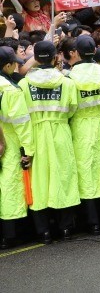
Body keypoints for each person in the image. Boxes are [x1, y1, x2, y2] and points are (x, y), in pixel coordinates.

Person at [19, 41, 80, 243]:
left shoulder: (24, 84)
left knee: (39, 182)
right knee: (63, 177)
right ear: (56, 57)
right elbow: (72, 108)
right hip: (60, 131)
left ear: (35, 58)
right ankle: (65, 229)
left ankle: (44, 232)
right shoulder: (67, 82)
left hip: (35, 134)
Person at [69, 35, 100, 235]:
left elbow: (70, 106)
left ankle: (92, 223)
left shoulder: (70, 77)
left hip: (80, 126)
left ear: (77, 53)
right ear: (95, 51)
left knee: (85, 172)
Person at [0, 47, 33, 249]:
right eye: (14, 63)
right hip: (9, 143)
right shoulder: (11, 90)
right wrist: (28, 150)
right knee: (11, 187)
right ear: (7, 65)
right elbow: (22, 123)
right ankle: (10, 235)